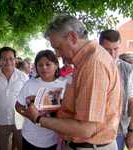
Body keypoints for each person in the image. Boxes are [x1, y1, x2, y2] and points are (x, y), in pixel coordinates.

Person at [24, 15, 122, 150]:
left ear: (73, 38)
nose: (57, 54)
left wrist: (38, 119)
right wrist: (44, 102)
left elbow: (85, 129)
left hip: (88, 146)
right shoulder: (84, 61)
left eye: (58, 47)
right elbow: (79, 102)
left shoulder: (93, 64)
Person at [15, 50, 71, 150]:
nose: (44, 68)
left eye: (48, 64)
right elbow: (18, 106)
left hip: (53, 139)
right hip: (29, 137)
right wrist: (30, 115)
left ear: (56, 65)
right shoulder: (30, 84)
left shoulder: (65, 85)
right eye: (40, 65)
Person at [0, 47, 28, 150]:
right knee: (2, 147)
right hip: (1, 120)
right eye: (4, 59)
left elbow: (28, 100)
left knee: (22, 146)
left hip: (20, 120)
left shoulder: (23, 77)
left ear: (15, 60)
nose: (8, 61)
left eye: (11, 58)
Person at [99, 29, 133, 150]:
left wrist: (131, 131)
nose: (112, 54)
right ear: (100, 47)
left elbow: (131, 101)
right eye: (108, 50)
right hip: (94, 130)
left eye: (116, 49)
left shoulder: (128, 70)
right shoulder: (93, 67)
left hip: (117, 130)